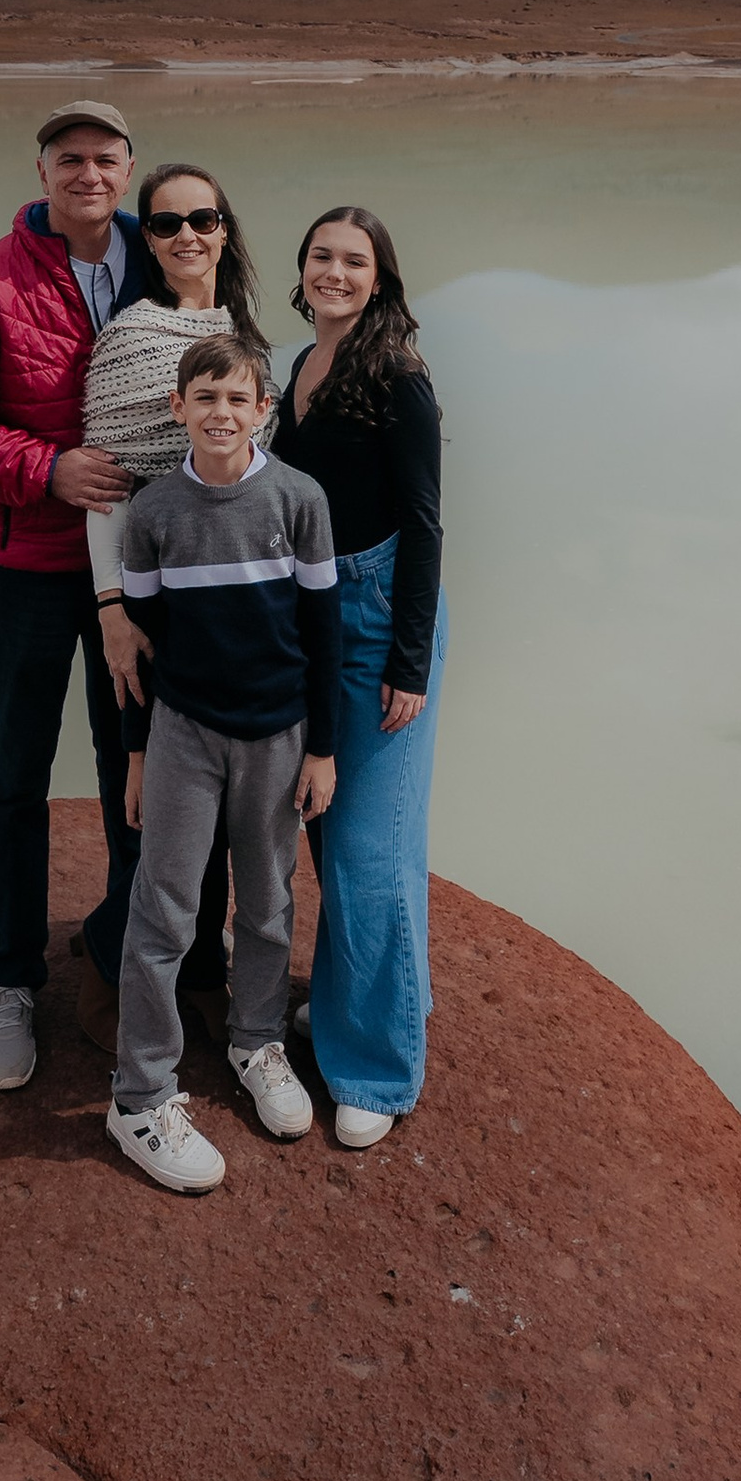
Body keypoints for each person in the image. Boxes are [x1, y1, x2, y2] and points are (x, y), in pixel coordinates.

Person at [0, 100, 148, 1091]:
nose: (88, 173)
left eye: (105, 158)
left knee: (133, 763)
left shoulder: (162, 260)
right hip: (28, 567)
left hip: (137, 572)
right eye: (69, 158)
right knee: (17, 769)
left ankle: (122, 951)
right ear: (41, 171)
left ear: (128, 169)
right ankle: (10, 974)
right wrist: (46, 469)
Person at [105, 335, 339, 1194]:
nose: (221, 413)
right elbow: (140, 647)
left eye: (239, 399)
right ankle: (140, 1095)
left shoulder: (299, 499)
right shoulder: (154, 512)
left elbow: (323, 634)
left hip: (278, 735)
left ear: (262, 411)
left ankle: (256, 1041)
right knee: (164, 910)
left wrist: (324, 748)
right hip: (184, 733)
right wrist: (136, 756)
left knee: (269, 900)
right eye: (205, 398)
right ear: (178, 408)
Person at [75, 162, 270, 1048]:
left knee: (220, 801)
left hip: (230, 603)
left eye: (203, 217)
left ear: (225, 228)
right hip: (147, 603)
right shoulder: (129, 338)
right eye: (165, 223)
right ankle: (118, 962)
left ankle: (195, 967)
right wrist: (112, 610)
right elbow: (105, 489)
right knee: (147, 798)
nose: (187, 235)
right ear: (146, 241)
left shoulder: (246, 332)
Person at [269, 204, 446, 1150]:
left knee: (370, 849)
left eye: (354, 261)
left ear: (380, 279)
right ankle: (356, 1001)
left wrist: (409, 663)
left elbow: (424, 523)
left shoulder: (397, 376)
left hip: (379, 619)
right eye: (320, 256)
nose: (334, 272)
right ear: (302, 269)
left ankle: (377, 1064)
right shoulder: (301, 364)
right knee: (330, 827)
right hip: (315, 614)